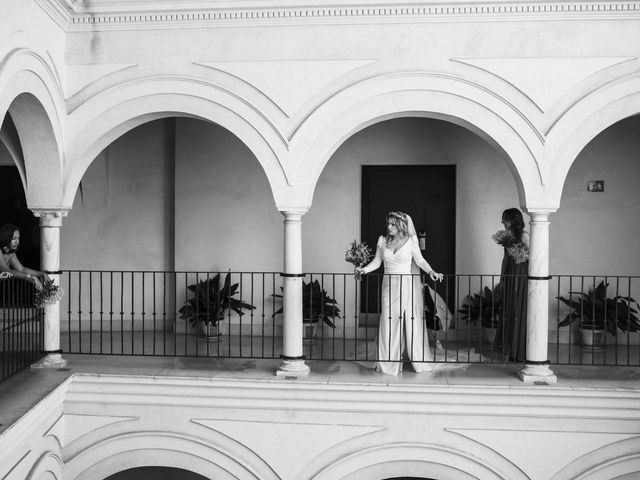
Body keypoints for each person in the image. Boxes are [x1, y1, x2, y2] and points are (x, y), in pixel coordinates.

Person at [355, 211, 444, 375]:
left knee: (410, 321)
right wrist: (363, 270)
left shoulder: (411, 241)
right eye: (388, 224)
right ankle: (387, 362)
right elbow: (377, 262)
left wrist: (431, 271)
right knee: (388, 322)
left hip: (407, 286)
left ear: (401, 225)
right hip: (389, 287)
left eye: (392, 224)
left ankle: (416, 359)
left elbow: (420, 260)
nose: (389, 227)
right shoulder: (383, 241)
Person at [493, 208, 529, 362]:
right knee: (507, 311)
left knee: (517, 310)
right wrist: (502, 279)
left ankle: (518, 349)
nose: (502, 222)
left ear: (513, 220)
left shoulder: (525, 236)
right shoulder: (507, 236)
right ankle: (508, 347)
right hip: (509, 275)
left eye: (505, 219)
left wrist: (516, 250)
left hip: (521, 276)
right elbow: (505, 259)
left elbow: (530, 257)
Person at [0, 224, 46, 290]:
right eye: (14, 238)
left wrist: (41, 274)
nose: (17, 242)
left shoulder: (11, 253)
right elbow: (7, 271)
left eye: (18, 238)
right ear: (6, 238)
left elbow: (22, 269)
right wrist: (30, 277)